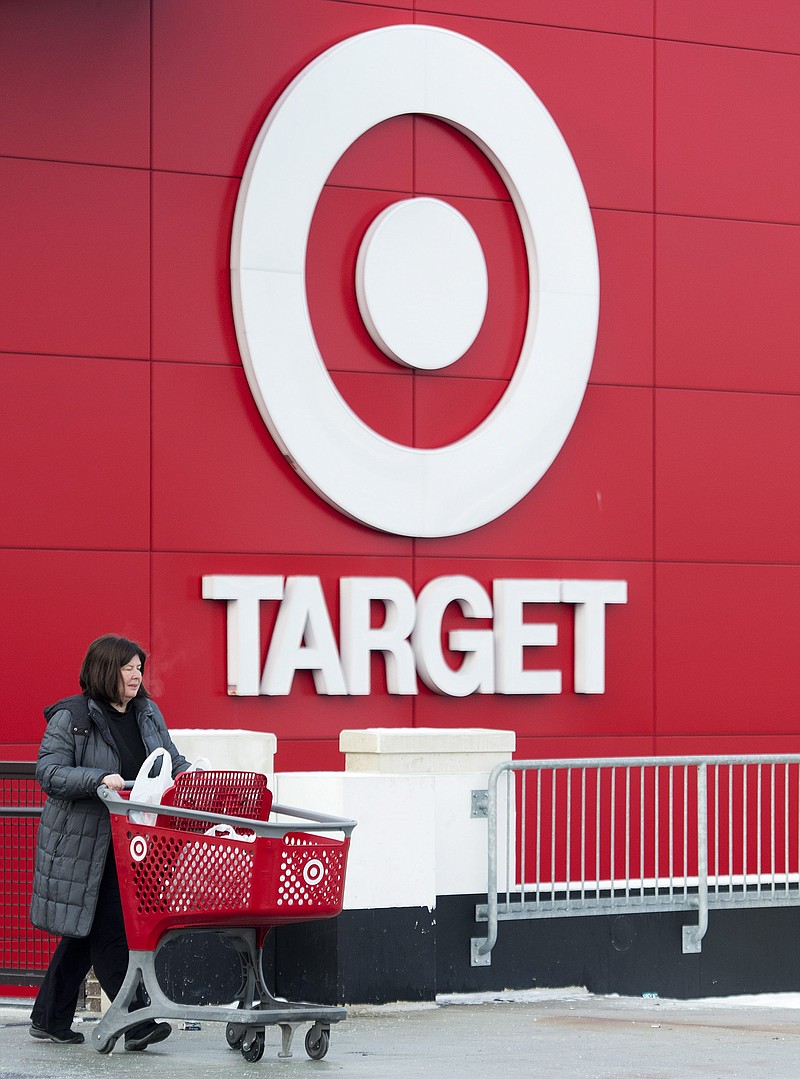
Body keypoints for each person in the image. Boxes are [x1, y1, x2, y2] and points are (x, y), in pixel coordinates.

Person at [29, 634, 190, 1049]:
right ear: (105, 670)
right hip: (87, 843)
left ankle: (49, 1016)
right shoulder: (73, 716)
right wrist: (98, 779)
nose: (137, 676)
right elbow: (49, 772)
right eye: (128, 668)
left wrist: (192, 776)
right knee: (111, 930)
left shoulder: (147, 712)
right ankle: (134, 1022)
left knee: (84, 931)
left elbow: (169, 760)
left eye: (139, 668)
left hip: (135, 842)